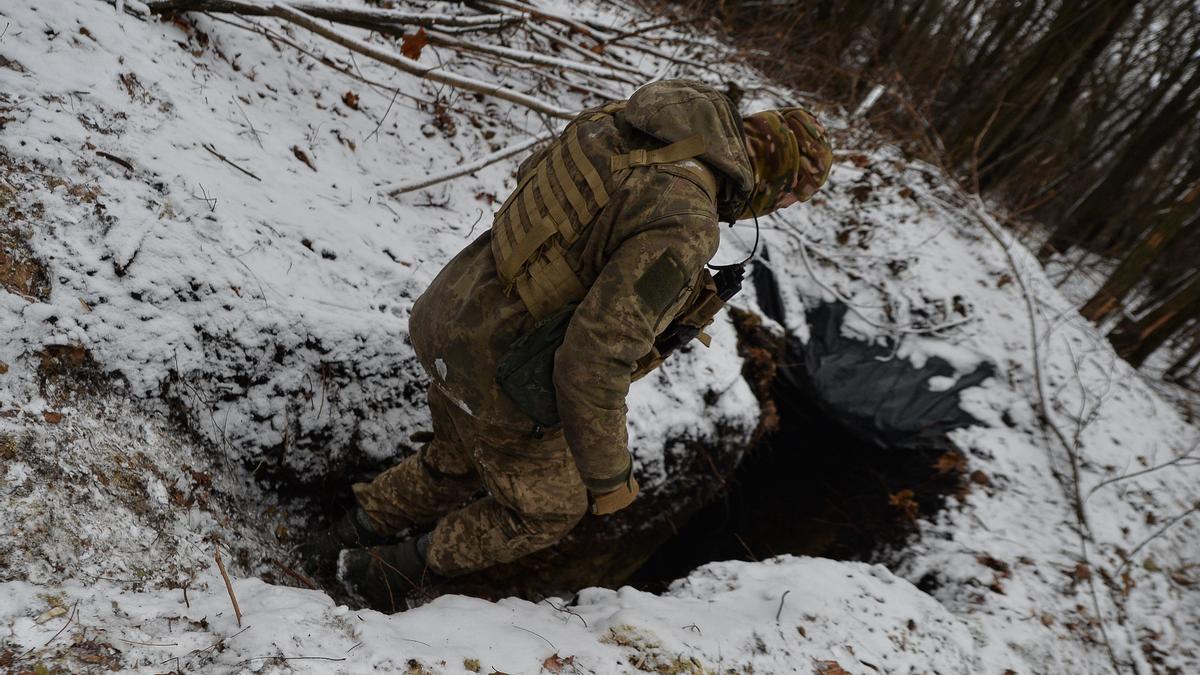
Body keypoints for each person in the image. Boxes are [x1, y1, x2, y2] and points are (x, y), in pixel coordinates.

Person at [306, 79, 833, 611]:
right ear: (779, 187)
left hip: (454, 311)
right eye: (788, 200)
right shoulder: (686, 221)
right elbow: (594, 358)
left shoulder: (628, 122)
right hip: (502, 371)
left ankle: (335, 538)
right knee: (547, 510)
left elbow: (531, 179)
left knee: (456, 456)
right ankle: (376, 576)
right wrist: (609, 477)